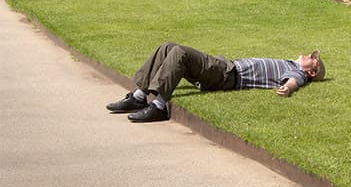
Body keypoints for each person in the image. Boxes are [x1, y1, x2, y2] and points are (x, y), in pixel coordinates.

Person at [105, 41, 325, 123]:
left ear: (312, 72)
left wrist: (287, 88)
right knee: (167, 47)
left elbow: (294, 81)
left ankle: (159, 106)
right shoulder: (291, 63)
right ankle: (139, 96)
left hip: (227, 75)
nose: (309, 56)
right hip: (225, 67)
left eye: (312, 59)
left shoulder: (298, 72)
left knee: (179, 52)